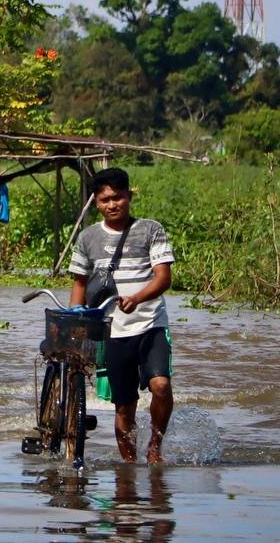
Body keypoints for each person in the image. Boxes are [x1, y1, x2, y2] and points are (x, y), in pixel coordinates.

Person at [68, 167, 175, 463]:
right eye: (104, 200)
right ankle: (129, 466)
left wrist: (138, 298)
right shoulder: (88, 238)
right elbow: (78, 282)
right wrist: (78, 324)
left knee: (161, 386)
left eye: (117, 197)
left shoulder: (150, 230)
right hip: (113, 332)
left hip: (151, 326)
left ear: (129, 195)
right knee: (124, 407)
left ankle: (154, 447)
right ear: (96, 202)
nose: (112, 205)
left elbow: (163, 278)